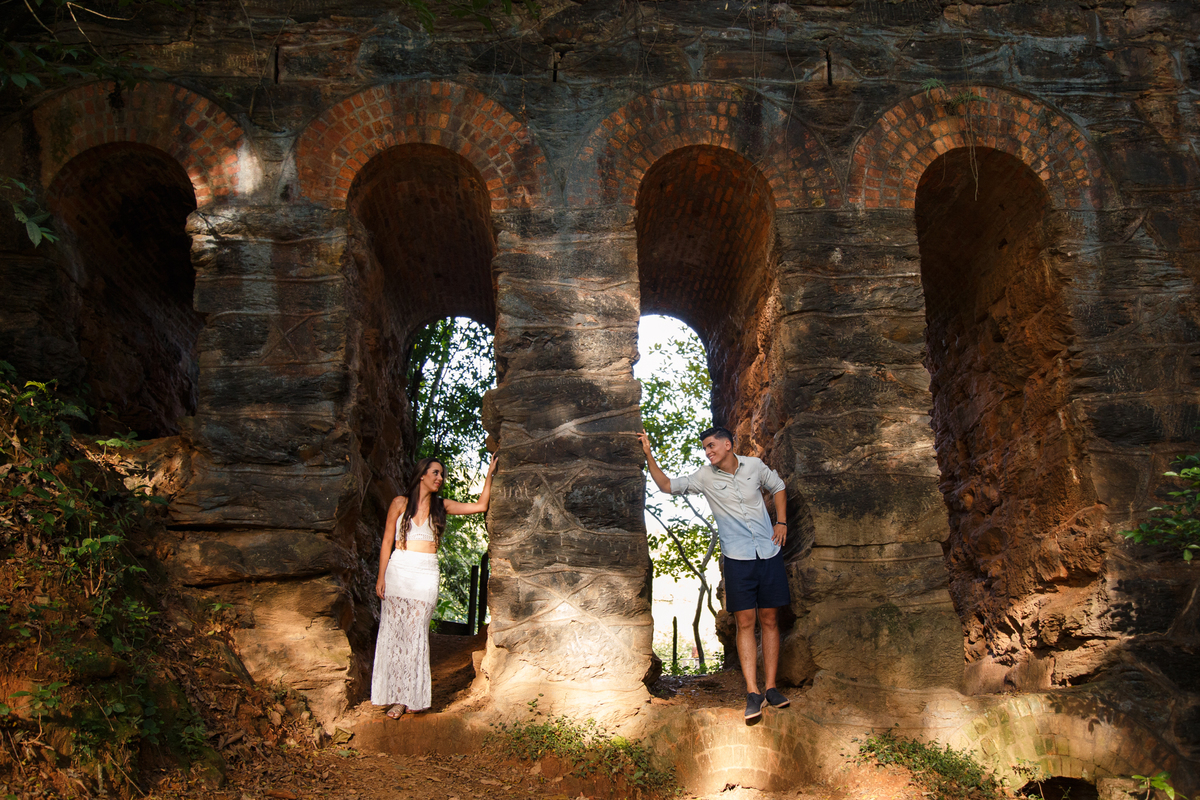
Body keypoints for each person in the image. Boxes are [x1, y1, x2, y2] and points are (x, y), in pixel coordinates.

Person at [638, 426, 790, 721]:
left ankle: (771, 688)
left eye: (711, 446)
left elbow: (779, 486)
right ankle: (752, 692)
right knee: (746, 623)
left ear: (728, 444)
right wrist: (648, 454)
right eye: (705, 449)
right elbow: (667, 486)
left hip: (768, 553)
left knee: (770, 619)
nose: (708, 452)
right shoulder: (704, 476)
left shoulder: (754, 466)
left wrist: (781, 522)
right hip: (737, 559)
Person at [372, 453, 498, 718]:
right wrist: (381, 576)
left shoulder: (443, 506)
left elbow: (481, 506)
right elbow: (386, 542)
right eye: (435, 473)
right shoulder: (399, 503)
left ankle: (410, 697)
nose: (440, 478)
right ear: (422, 475)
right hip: (398, 571)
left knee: (416, 634)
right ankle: (395, 697)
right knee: (395, 635)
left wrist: (489, 474)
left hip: (426, 574)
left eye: (442, 474)